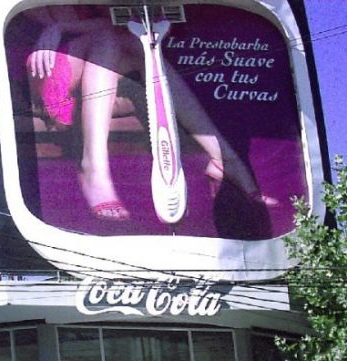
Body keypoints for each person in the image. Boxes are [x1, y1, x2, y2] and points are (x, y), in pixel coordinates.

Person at [22, 6, 275, 222]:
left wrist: (66, 26)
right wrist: (57, 28)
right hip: (47, 71)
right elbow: (58, 24)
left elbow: (111, 22)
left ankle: (223, 158)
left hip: (95, 79)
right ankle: (93, 168)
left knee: (138, 45)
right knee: (109, 37)